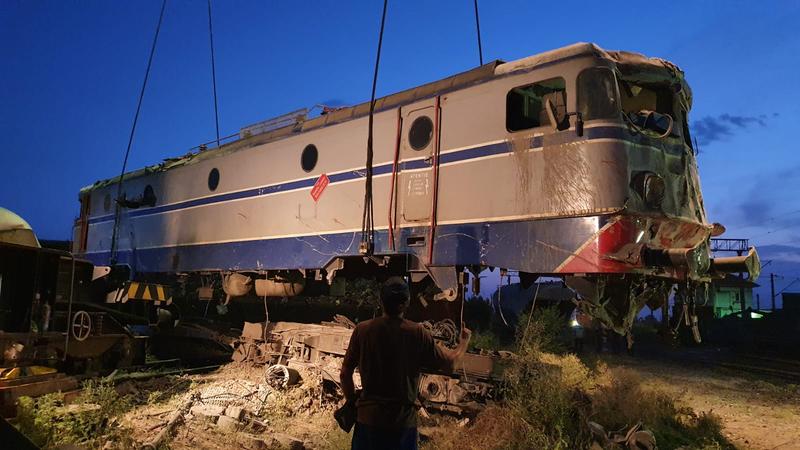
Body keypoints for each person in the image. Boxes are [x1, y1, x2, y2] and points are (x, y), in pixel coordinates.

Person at [340, 277, 471, 450]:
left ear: (381, 301)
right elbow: (451, 364)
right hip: (401, 426)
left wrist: (351, 402)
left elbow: (345, 373)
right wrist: (464, 342)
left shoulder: (362, 330)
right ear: (406, 302)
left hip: (368, 421)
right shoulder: (417, 333)